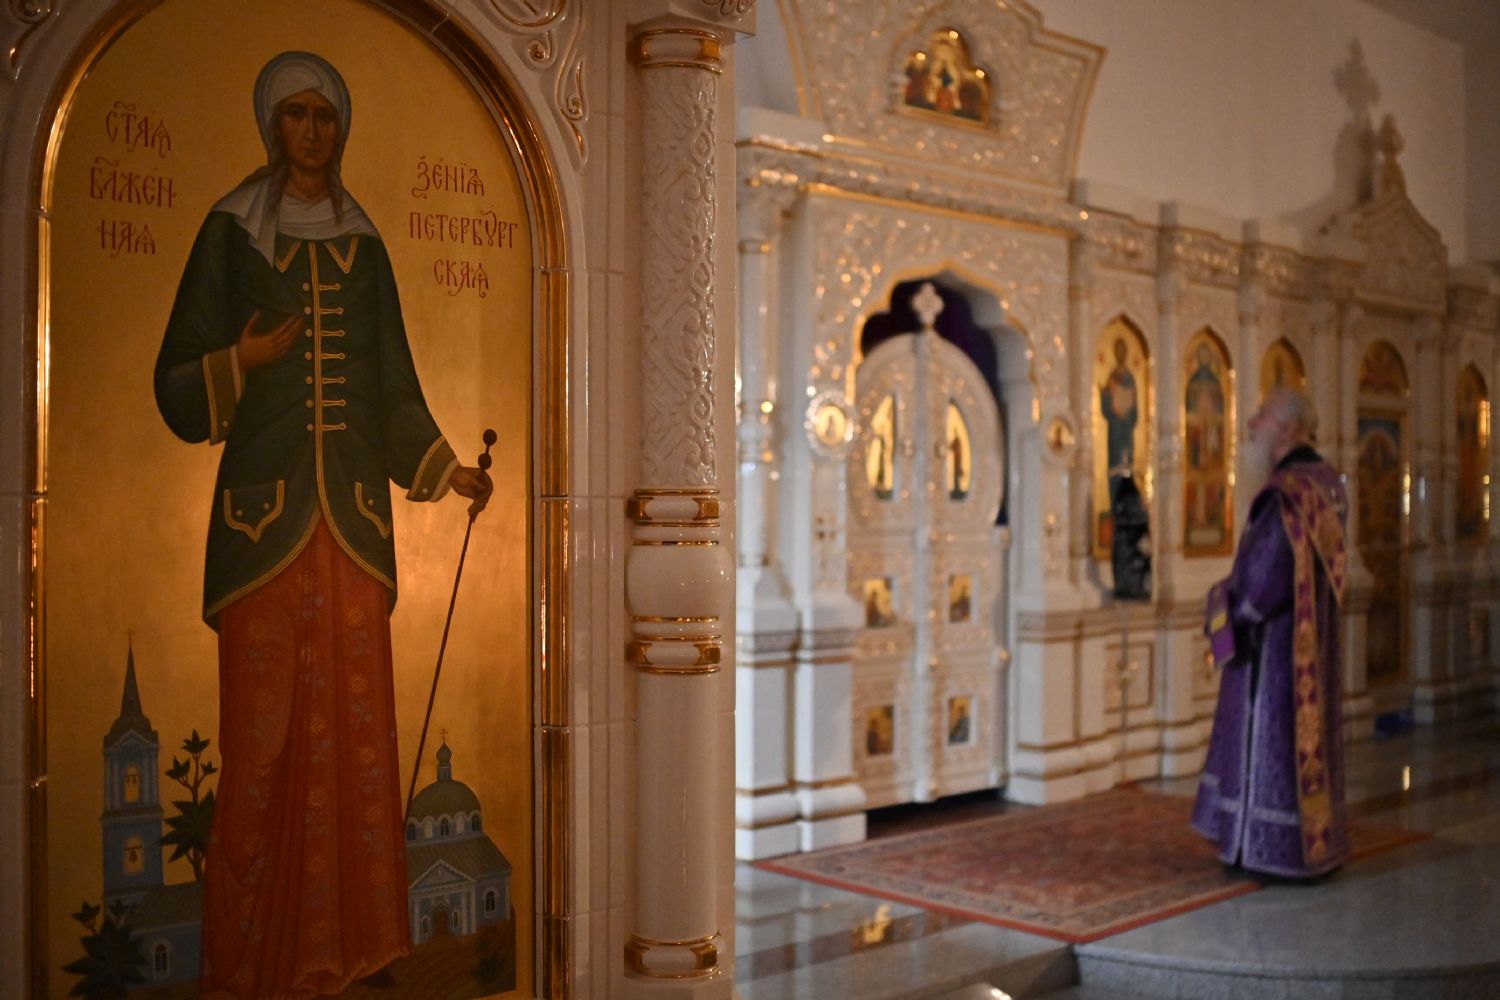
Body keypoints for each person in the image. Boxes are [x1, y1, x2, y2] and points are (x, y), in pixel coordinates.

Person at [153, 51, 492, 997]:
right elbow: (173, 384)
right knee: (261, 743)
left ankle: (357, 950)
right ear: (272, 127)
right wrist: (242, 360)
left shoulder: (363, 245)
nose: (310, 131)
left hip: (351, 524)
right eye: (295, 115)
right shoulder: (230, 233)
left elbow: (392, 385)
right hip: (260, 528)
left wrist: (446, 469)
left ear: (341, 130)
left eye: (325, 117)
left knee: (358, 738)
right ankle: (249, 965)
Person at [1192, 388, 1349, 879]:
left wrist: (1224, 606)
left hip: (1276, 649)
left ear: (1287, 429)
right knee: (1306, 741)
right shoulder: (1328, 483)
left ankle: (1269, 848)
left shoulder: (1286, 493)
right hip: (1313, 641)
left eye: (1260, 417)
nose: (1250, 425)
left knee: (1272, 742)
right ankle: (1311, 844)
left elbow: (1263, 582)